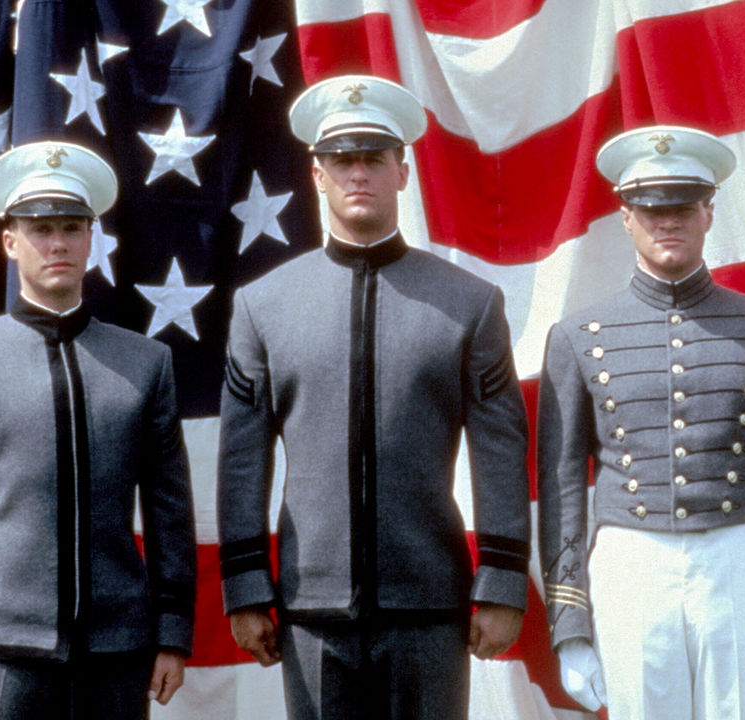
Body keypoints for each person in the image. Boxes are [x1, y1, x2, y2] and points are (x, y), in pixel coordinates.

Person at [216, 74, 531, 720]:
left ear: (402, 172)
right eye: (342, 160)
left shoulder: (469, 305)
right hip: (311, 606)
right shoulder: (264, 307)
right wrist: (245, 588)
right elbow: (242, 460)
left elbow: (500, 452)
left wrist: (502, 584)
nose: (358, 173)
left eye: (374, 159)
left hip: (429, 604)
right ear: (318, 175)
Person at [536, 125, 745, 719]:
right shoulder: (577, 337)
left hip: (739, 556)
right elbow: (562, 487)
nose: (667, 220)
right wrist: (570, 625)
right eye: (651, 208)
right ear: (626, 217)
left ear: (708, 212)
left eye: (683, 206)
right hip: (631, 563)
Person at [0, 141, 196, 720]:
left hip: (118, 649)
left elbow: (170, 507)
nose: (58, 244)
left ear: (92, 239)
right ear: (10, 241)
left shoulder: (145, 363)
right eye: (40, 229)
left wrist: (172, 631)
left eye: (71, 227)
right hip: (3, 649)